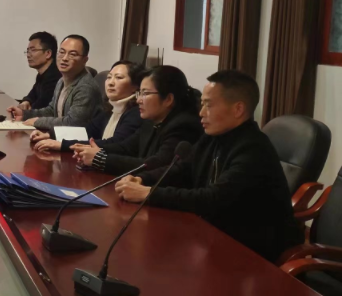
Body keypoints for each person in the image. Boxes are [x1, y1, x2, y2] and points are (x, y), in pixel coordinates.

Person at [115, 70, 303, 261]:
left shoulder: (253, 150)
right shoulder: (213, 137)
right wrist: (141, 179)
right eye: (202, 104)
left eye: (209, 105)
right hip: (212, 236)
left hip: (252, 253)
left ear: (238, 109)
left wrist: (148, 193)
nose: (201, 113)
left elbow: (212, 199)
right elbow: (182, 170)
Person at [73, 65, 204, 176]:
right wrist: (89, 150)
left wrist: (100, 159)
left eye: (145, 93)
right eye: (139, 93)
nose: (139, 100)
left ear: (168, 99)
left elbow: (155, 164)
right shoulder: (151, 120)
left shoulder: (184, 126)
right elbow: (125, 148)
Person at [31, 60, 144, 153]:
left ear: (135, 86)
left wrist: (63, 145)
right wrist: (50, 135)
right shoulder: (110, 109)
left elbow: (112, 143)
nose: (110, 83)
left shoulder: (136, 113)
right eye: (109, 77)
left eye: (119, 78)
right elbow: (86, 131)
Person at [7, 35, 103, 131]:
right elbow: (52, 110)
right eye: (62, 52)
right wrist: (24, 114)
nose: (64, 58)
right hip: (62, 135)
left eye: (72, 54)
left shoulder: (85, 87)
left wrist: (38, 121)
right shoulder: (61, 81)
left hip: (79, 139)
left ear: (84, 60)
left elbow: (73, 123)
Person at [16, 32, 61, 110]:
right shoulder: (42, 75)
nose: (28, 55)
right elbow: (32, 95)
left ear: (48, 53)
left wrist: (26, 110)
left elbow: (41, 108)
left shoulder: (55, 77)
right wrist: (26, 101)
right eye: (28, 51)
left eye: (33, 50)